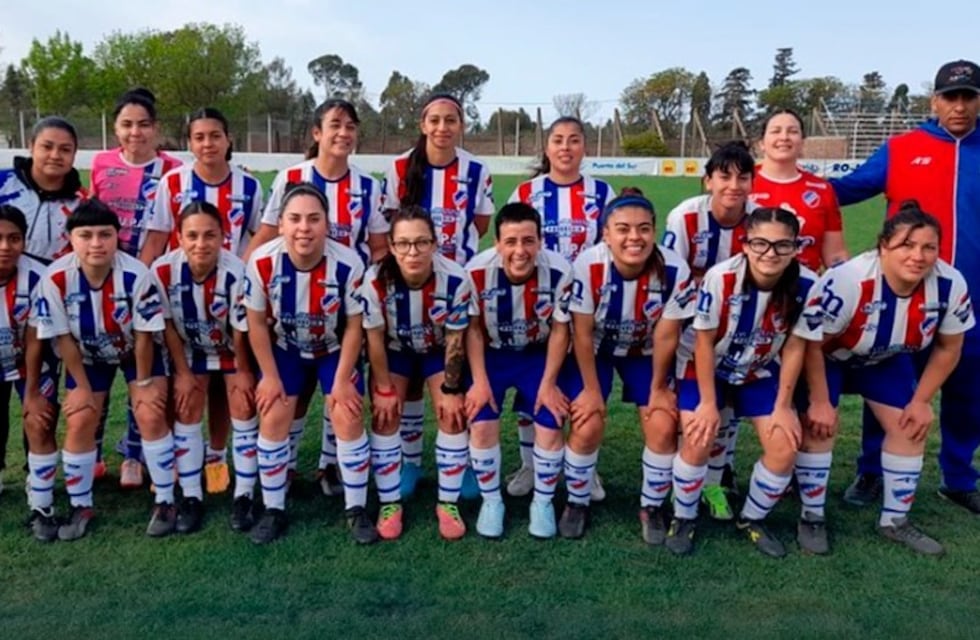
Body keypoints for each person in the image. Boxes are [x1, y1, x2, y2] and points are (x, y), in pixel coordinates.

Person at [829, 59, 980, 513]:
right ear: (933, 101)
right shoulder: (902, 148)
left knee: (968, 392)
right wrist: (787, 183)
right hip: (903, 294)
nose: (959, 106)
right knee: (890, 385)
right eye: (949, 97)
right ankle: (872, 472)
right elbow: (846, 190)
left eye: (968, 96)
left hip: (973, 297)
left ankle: (957, 477)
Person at [800, 204, 973, 555]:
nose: (918, 256)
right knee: (819, 426)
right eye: (906, 246)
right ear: (882, 247)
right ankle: (811, 515)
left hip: (884, 359)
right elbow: (811, 343)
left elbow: (949, 347)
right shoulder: (849, 280)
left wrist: (921, 400)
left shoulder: (949, 283)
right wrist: (819, 400)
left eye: (928, 247)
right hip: (829, 358)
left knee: (910, 426)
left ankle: (895, 521)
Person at [245, 98, 386, 498]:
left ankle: (330, 465)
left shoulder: (366, 185)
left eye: (351, 127)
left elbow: (377, 247)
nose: (343, 133)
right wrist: (240, 276)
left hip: (344, 302)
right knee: (295, 389)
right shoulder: (291, 177)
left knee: (339, 388)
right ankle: (284, 465)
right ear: (317, 132)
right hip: (291, 301)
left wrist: (374, 290)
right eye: (335, 125)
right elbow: (269, 232)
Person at [671, 207, 822, 557]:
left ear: (796, 247)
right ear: (744, 245)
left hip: (757, 369)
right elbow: (704, 342)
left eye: (782, 245)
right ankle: (684, 515)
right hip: (703, 366)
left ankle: (751, 518)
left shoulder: (809, 284)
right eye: (760, 244)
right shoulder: (721, 277)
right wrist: (708, 403)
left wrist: (784, 406)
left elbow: (798, 344)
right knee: (698, 437)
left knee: (785, 446)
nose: (770, 253)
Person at [140, 106, 264, 495]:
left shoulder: (249, 186)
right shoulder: (172, 183)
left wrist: (241, 281)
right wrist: (140, 285)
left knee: (228, 386)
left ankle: (216, 455)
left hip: (231, 297)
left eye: (215, 135)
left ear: (228, 140)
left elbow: (258, 237)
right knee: (189, 385)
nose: (207, 143)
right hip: (184, 300)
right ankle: (186, 469)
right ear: (189, 142)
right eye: (199, 136)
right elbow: (159, 237)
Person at [32, 199, 170, 541]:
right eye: (86, 235)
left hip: (134, 352)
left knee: (150, 412)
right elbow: (62, 339)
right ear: (71, 238)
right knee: (80, 417)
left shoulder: (138, 274)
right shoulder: (55, 278)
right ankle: (81, 504)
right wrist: (79, 386)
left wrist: (143, 383)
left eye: (105, 234)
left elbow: (143, 337)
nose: (96, 243)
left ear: (116, 237)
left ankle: (167, 500)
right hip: (87, 354)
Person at [561, 190, 696, 539]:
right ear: (605, 234)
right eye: (622, 229)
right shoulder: (588, 265)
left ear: (654, 231)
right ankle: (577, 501)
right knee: (587, 421)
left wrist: (657, 390)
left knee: (662, 422)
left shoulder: (675, 268)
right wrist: (592, 391)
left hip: (647, 351)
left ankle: (651, 506)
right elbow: (583, 333)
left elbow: (667, 335)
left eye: (643, 228)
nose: (634, 237)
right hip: (599, 350)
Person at [244, 182, 370, 544]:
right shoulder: (262, 260)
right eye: (295, 219)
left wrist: (344, 379)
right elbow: (254, 322)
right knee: (273, 412)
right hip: (286, 347)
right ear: (280, 223)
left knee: (346, 412)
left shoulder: (348, 263)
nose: (304, 228)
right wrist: (268, 376)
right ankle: (273, 508)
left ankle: (356, 508)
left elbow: (354, 327)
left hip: (333, 348)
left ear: (327, 224)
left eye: (314, 219)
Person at [381, 93, 493, 498]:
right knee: (407, 380)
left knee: (452, 372)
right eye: (435, 120)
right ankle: (410, 463)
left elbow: (479, 221)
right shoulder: (399, 168)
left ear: (460, 125)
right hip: (407, 278)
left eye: (451, 120)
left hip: (454, 284)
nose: (443, 128)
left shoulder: (477, 170)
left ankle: (457, 464)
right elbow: (390, 223)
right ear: (423, 125)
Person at [504, 116, 615, 500]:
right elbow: (509, 244)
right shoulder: (526, 191)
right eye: (558, 141)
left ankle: (588, 468)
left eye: (574, 140)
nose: (565, 148)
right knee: (532, 385)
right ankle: (530, 466)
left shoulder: (602, 192)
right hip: (536, 304)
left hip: (589, 305)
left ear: (585, 147)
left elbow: (611, 246)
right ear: (547, 148)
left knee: (587, 385)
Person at [361, 205, 473, 540]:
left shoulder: (455, 278)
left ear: (435, 244)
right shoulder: (374, 279)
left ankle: (447, 502)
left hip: (438, 350)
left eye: (422, 242)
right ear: (392, 246)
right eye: (405, 243)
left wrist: (452, 391)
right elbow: (375, 339)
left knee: (452, 414)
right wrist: (382, 389)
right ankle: (390, 502)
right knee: (384, 414)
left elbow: (455, 340)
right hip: (395, 351)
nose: (413, 251)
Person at [89, 87, 182, 488]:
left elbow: (168, 228)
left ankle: (134, 452)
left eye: (143, 124)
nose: (135, 132)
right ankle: (90, 451)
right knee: (98, 354)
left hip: (147, 277)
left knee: (142, 362)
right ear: (115, 128)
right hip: (99, 272)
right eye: (127, 124)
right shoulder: (102, 164)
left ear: (156, 129)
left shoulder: (173, 169)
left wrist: (141, 277)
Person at [464, 202, 574, 538]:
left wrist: (549, 382)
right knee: (481, 424)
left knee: (550, 420)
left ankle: (541, 502)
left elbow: (560, 330)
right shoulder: (476, 271)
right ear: (496, 243)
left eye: (528, 241)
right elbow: (473, 329)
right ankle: (491, 500)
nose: (520, 250)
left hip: (537, 354)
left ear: (540, 241)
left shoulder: (559, 270)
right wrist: (480, 381)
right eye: (510, 242)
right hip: (493, 354)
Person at [146, 201, 256, 534]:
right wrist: (181, 373)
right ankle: (191, 496)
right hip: (188, 349)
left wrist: (242, 370)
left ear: (223, 237)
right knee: (187, 404)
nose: (200, 243)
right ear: (178, 237)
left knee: (242, 402)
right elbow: (165, 324)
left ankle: (244, 495)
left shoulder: (237, 271)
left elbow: (241, 331)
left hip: (229, 349)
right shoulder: (162, 271)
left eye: (210, 235)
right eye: (191, 235)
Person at [661, 141, 757, 521]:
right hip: (689, 330)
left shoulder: (760, 219)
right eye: (724, 176)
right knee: (690, 413)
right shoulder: (685, 218)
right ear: (708, 181)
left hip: (742, 332)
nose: (733, 185)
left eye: (742, 177)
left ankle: (715, 482)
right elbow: (673, 275)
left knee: (727, 408)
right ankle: (680, 482)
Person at [0, 116, 85, 489]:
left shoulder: (82, 203)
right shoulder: (4, 185)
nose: (55, 155)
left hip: (48, 312)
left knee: (40, 402)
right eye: (47, 146)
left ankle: (38, 476)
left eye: (65, 149)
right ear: (31, 146)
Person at [0, 204, 59, 538]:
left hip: (31, 360)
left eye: (14, 238)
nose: (5, 247)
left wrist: (33, 391)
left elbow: (37, 338)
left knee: (39, 421)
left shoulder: (38, 276)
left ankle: (41, 503)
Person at [751, 109, 848, 272]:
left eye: (793, 131)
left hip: (803, 289)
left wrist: (848, 283)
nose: (784, 137)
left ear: (802, 142)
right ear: (761, 143)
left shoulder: (823, 190)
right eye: (776, 131)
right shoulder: (742, 182)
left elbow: (835, 254)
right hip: (749, 287)